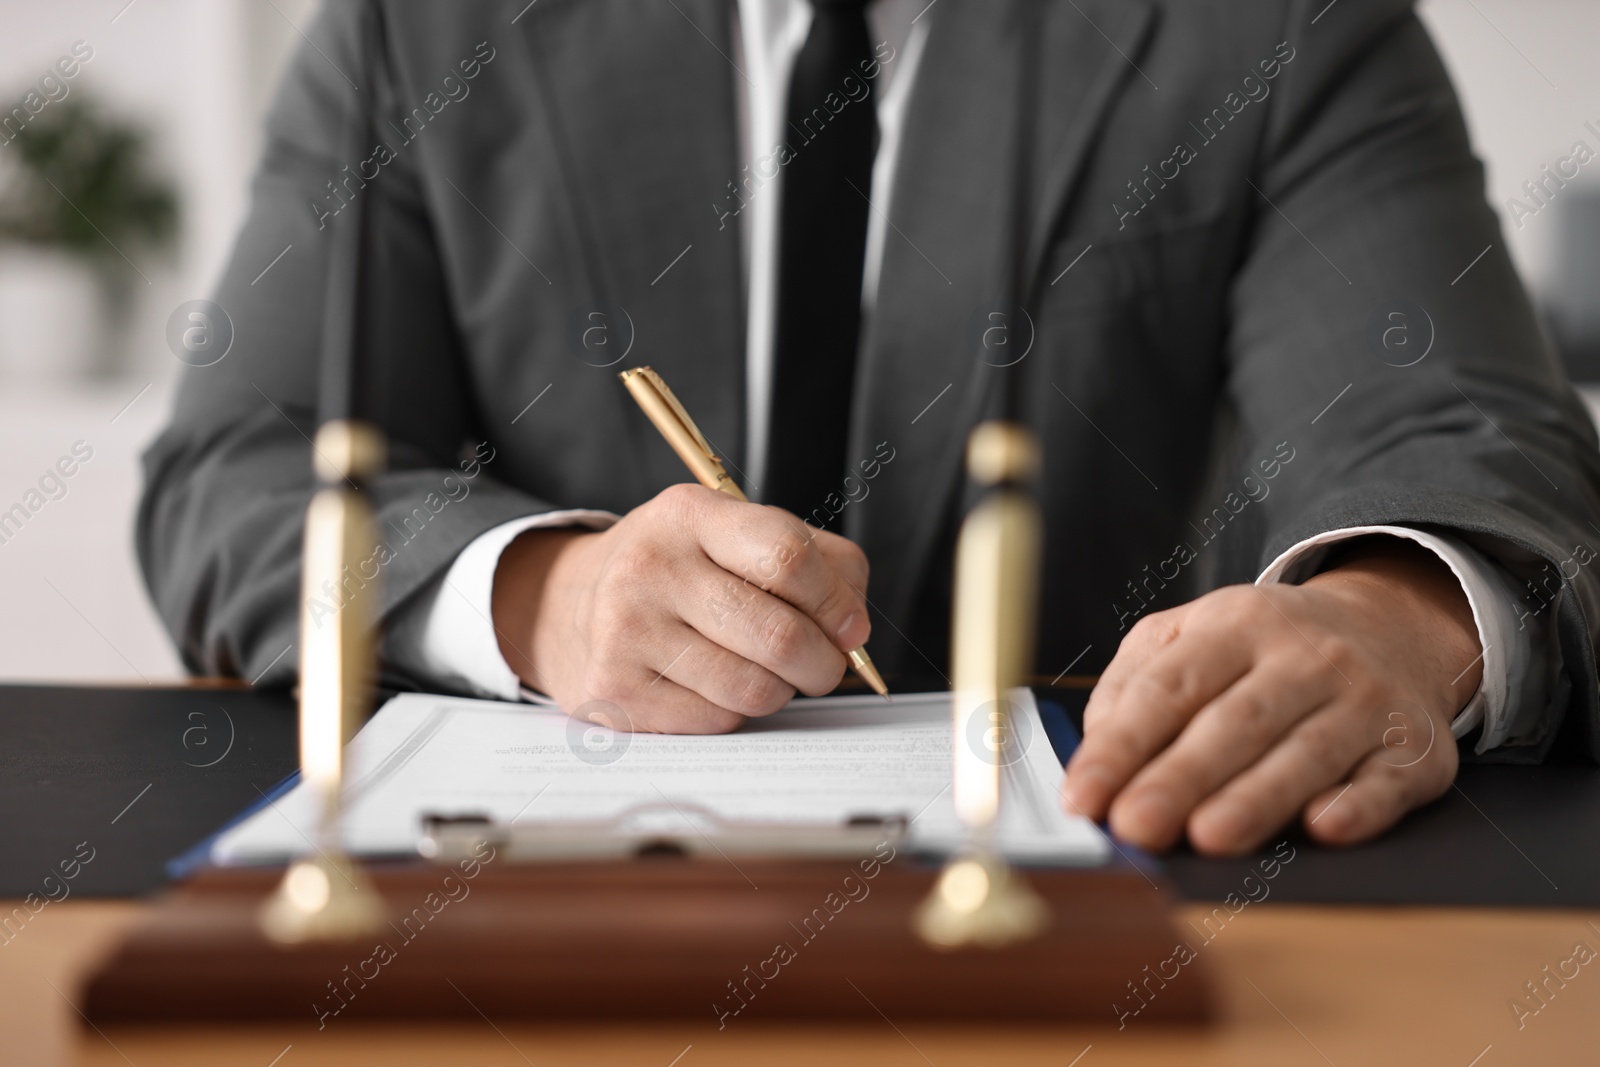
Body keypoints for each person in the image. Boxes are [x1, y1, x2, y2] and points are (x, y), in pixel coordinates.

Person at [138, 0, 1600, 858]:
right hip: (542, 923)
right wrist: (543, 594)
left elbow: (1465, 432)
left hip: (1118, 914)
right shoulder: (422, 29)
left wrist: (1394, 624)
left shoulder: (1287, 25)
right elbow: (235, 475)